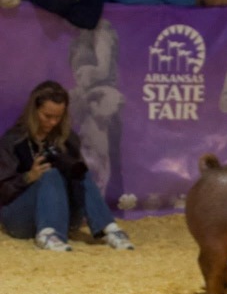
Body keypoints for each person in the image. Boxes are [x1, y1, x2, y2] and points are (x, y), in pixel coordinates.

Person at [0, 81, 133, 251]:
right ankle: (48, 235)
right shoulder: (13, 141)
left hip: (64, 214)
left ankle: (109, 229)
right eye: (47, 116)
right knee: (49, 174)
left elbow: (80, 178)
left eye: (58, 117)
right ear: (34, 111)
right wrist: (28, 177)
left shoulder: (68, 138)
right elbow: (3, 192)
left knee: (80, 171)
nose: (53, 122)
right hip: (21, 218)